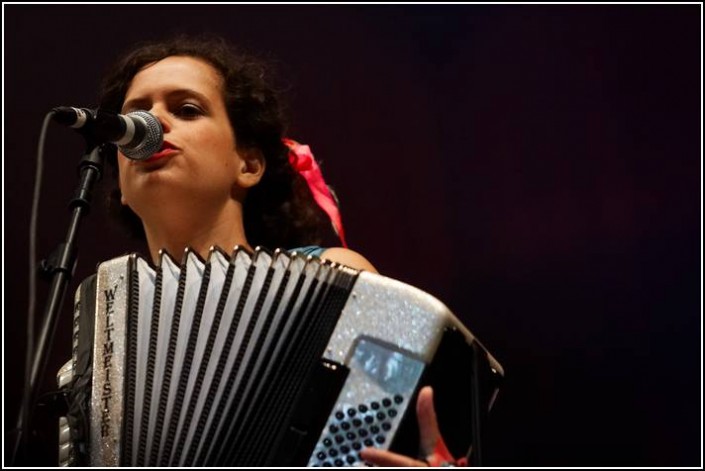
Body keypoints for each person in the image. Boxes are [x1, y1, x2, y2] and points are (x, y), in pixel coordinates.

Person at [96, 34, 463, 467]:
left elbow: (377, 450)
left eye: (186, 109)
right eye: (135, 115)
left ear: (248, 165)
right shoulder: (102, 335)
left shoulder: (335, 280)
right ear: (121, 183)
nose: (153, 124)